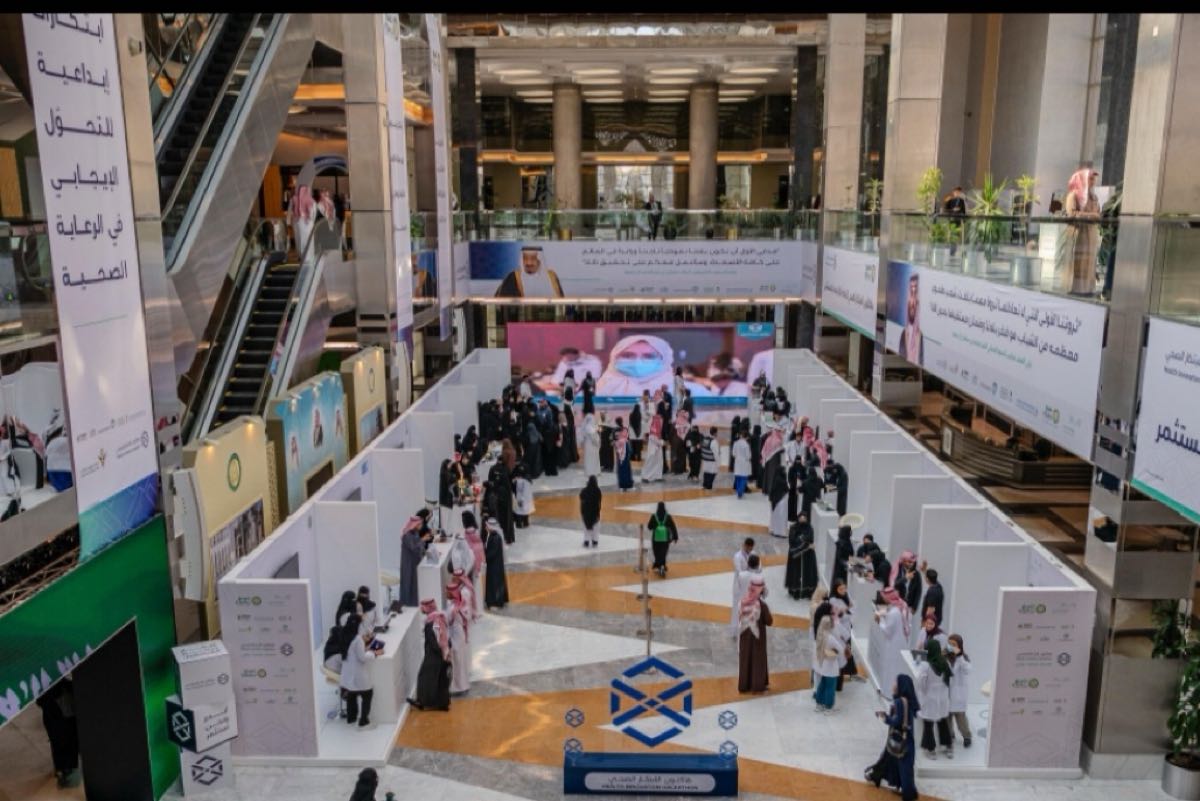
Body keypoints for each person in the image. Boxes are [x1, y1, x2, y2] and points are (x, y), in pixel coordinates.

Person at [866, 674, 920, 800]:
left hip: (899, 740)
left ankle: (909, 795)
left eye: (895, 682)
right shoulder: (908, 701)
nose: (893, 684)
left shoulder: (899, 701)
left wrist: (884, 718)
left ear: (901, 686)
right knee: (892, 760)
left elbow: (896, 721)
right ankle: (876, 776)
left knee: (903, 767)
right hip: (907, 739)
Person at [596, 335, 677, 397]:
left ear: (664, 360)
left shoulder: (676, 389)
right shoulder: (601, 387)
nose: (637, 362)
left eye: (648, 356)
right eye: (628, 355)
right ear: (614, 358)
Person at [407, 599, 452, 711]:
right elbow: (442, 634)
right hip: (442, 653)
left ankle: (422, 701)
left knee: (424, 677)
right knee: (441, 678)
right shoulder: (439, 618)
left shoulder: (432, 622)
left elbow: (435, 638)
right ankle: (443, 703)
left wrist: (438, 651)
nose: (421, 609)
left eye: (423, 607)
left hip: (434, 655)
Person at [1064, 167, 1101, 295]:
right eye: (1090, 178)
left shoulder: (1094, 197)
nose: (1093, 181)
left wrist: (1097, 216)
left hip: (1092, 233)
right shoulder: (1073, 196)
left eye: (1094, 179)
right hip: (1079, 233)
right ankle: (1076, 289)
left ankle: (1087, 289)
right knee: (1079, 262)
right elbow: (1072, 213)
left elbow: (1098, 213)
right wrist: (1091, 216)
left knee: (1089, 262)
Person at [36, 678, 79, 788]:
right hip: (60, 709)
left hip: (57, 709)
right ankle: (66, 772)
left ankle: (65, 772)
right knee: (65, 740)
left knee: (61, 742)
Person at [916, 639, 953, 759]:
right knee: (943, 722)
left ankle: (930, 749)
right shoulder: (945, 662)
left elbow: (921, 683)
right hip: (943, 698)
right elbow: (949, 680)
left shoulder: (925, 665)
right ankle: (948, 747)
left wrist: (923, 694)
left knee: (928, 724)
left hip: (930, 698)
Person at [342, 625, 384, 726]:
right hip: (357, 676)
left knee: (352, 694)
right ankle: (364, 720)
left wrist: (366, 648)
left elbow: (354, 652)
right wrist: (375, 653)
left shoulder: (347, 637)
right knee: (367, 694)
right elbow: (362, 658)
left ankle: (351, 718)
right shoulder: (358, 639)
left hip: (347, 677)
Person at [737, 575, 772, 693]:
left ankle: (744, 685)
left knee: (745, 659)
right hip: (758, 638)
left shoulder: (743, 602)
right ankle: (757, 686)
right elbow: (769, 621)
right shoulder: (761, 605)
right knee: (757, 660)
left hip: (744, 635)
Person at [875, 588, 912, 701]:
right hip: (903, 642)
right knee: (899, 668)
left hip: (893, 644)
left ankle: (889, 693)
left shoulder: (894, 612)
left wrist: (880, 620)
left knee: (891, 668)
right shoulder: (904, 606)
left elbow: (887, 631)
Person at [445, 569, 476, 696]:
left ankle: (458, 687)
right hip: (461, 633)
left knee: (457, 662)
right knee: (461, 660)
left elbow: (447, 621)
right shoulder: (459, 604)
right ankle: (462, 684)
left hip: (456, 636)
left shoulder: (453, 608)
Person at [494, 245, 565, 298]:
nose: (529, 263)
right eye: (525, 258)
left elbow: (562, 303)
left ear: (540, 260)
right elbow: (502, 303)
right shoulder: (513, 277)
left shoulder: (552, 276)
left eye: (533, 258)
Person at [400, 510, 433, 607]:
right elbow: (413, 547)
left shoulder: (415, 533)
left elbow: (419, 546)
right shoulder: (407, 535)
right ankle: (407, 604)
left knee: (415, 585)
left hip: (416, 562)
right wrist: (423, 539)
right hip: (408, 564)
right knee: (408, 584)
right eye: (420, 524)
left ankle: (414, 603)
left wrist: (425, 552)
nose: (421, 526)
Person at [946, 634, 973, 748]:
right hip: (946, 693)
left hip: (958, 695)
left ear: (959, 646)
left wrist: (960, 656)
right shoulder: (945, 656)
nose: (951, 646)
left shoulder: (964, 658)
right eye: (949, 644)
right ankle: (950, 735)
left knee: (961, 719)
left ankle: (967, 736)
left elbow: (968, 670)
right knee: (947, 718)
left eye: (954, 644)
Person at [731, 552, 767, 634]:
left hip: (743, 604)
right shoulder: (760, 578)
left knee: (742, 627)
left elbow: (738, 588)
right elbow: (765, 593)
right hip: (755, 606)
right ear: (757, 565)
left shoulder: (741, 575)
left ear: (748, 563)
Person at [812, 611, 841, 713]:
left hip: (822, 666)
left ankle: (819, 705)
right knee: (830, 688)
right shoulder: (830, 638)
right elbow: (840, 649)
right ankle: (828, 707)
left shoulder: (819, 635)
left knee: (822, 685)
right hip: (831, 666)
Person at [785, 513, 818, 600]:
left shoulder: (809, 528)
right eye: (801, 518)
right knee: (796, 573)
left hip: (808, 555)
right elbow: (792, 541)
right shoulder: (793, 528)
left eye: (804, 518)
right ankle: (795, 592)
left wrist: (800, 539)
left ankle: (807, 593)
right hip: (796, 556)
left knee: (808, 573)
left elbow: (811, 539)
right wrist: (804, 541)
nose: (802, 520)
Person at [481, 515, 509, 610]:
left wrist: (484, 557)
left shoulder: (495, 538)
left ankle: (496, 602)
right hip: (494, 565)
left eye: (487, 526)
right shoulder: (493, 536)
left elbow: (492, 553)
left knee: (495, 584)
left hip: (495, 566)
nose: (486, 528)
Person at [897, 271, 924, 364]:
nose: (912, 302)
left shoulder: (921, 338)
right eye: (910, 292)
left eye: (915, 292)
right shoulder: (903, 335)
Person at [647, 501, 679, 577]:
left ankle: (659, 565)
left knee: (657, 552)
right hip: (665, 539)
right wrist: (675, 537)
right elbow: (673, 527)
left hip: (656, 539)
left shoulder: (654, 516)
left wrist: (655, 526)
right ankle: (662, 566)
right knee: (663, 553)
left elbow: (649, 527)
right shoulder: (668, 517)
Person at [579, 474, 602, 547]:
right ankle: (595, 541)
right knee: (595, 526)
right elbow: (599, 501)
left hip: (586, 512)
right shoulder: (598, 490)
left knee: (586, 526)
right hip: (595, 511)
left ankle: (586, 540)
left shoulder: (584, 491)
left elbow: (581, 498)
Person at [641, 414, 664, 483]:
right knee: (650, 462)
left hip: (658, 449)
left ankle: (657, 476)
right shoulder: (653, 429)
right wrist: (662, 442)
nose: (661, 422)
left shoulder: (657, 429)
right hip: (653, 450)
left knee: (658, 462)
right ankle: (645, 477)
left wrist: (661, 442)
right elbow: (654, 438)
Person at [732, 433, 751, 499]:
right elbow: (748, 456)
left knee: (738, 478)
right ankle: (740, 493)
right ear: (746, 437)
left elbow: (733, 454)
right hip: (744, 463)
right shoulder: (746, 445)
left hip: (737, 462)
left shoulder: (735, 443)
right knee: (743, 478)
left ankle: (738, 492)